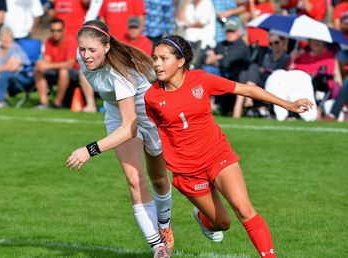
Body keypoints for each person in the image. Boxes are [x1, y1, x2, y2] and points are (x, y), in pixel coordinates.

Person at [144, 35, 314, 258]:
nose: (156, 63)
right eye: (154, 58)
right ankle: (203, 218)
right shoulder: (151, 97)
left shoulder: (202, 80)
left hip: (217, 154)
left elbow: (247, 90)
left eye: (163, 58)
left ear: (181, 61)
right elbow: (155, 135)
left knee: (244, 210)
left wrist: (287, 104)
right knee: (221, 224)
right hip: (187, 171)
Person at [65, 20, 173, 258]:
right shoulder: (83, 54)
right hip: (117, 114)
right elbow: (123, 123)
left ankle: (165, 225)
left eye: (92, 50)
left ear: (106, 46)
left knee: (159, 178)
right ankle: (159, 247)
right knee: (135, 180)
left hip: (146, 114)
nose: (85, 55)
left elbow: (129, 128)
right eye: (82, 49)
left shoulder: (118, 72)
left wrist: (89, 150)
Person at [34, 17, 79, 108]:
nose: (55, 33)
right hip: (56, 71)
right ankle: (44, 103)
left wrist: (48, 65)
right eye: (53, 30)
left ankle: (57, 103)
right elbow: (47, 60)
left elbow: (69, 64)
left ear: (64, 30)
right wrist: (41, 64)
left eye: (59, 30)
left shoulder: (71, 41)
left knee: (63, 71)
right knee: (38, 69)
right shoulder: (49, 41)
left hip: (73, 73)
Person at [0, 26, 30, 108]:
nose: (6, 39)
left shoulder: (15, 48)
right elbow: (8, 66)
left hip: (19, 76)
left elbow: (13, 67)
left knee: (3, 74)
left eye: (8, 36)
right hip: (3, 75)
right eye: (3, 36)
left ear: (12, 38)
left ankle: (0, 101)